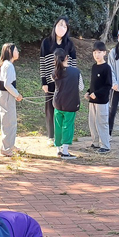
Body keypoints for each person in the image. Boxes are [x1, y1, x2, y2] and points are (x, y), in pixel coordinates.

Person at [40, 18, 77, 146]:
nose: (62, 27)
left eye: (65, 26)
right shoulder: (46, 43)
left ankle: (62, 138)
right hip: (51, 82)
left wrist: (73, 82)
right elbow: (43, 64)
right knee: (50, 109)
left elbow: (74, 64)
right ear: (55, 25)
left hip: (66, 83)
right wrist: (43, 82)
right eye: (60, 24)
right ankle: (51, 136)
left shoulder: (70, 44)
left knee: (64, 109)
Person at [52, 48, 84, 160]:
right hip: (70, 103)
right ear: (66, 58)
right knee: (68, 126)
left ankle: (58, 149)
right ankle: (65, 151)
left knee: (58, 126)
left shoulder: (54, 72)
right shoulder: (76, 72)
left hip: (57, 103)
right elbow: (81, 88)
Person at [0, 43, 23, 157]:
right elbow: (8, 84)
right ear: (10, 52)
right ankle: (6, 148)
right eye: (16, 50)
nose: (18, 52)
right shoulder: (8, 66)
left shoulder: (6, 65)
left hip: (6, 95)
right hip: (7, 95)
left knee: (10, 121)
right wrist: (17, 95)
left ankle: (10, 145)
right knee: (9, 122)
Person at [86, 41, 113, 154]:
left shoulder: (106, 68)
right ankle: (95, 142)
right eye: (95, 52)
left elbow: (108, 85)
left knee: (101, 122)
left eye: (99, 52)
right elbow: (93, 84)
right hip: (92, 100)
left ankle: (105, 145)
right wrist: (89, 92)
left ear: (104, 53)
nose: (96, 55)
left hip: (101, 101)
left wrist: (97, 93)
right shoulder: (94, 67)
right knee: (92, 122)